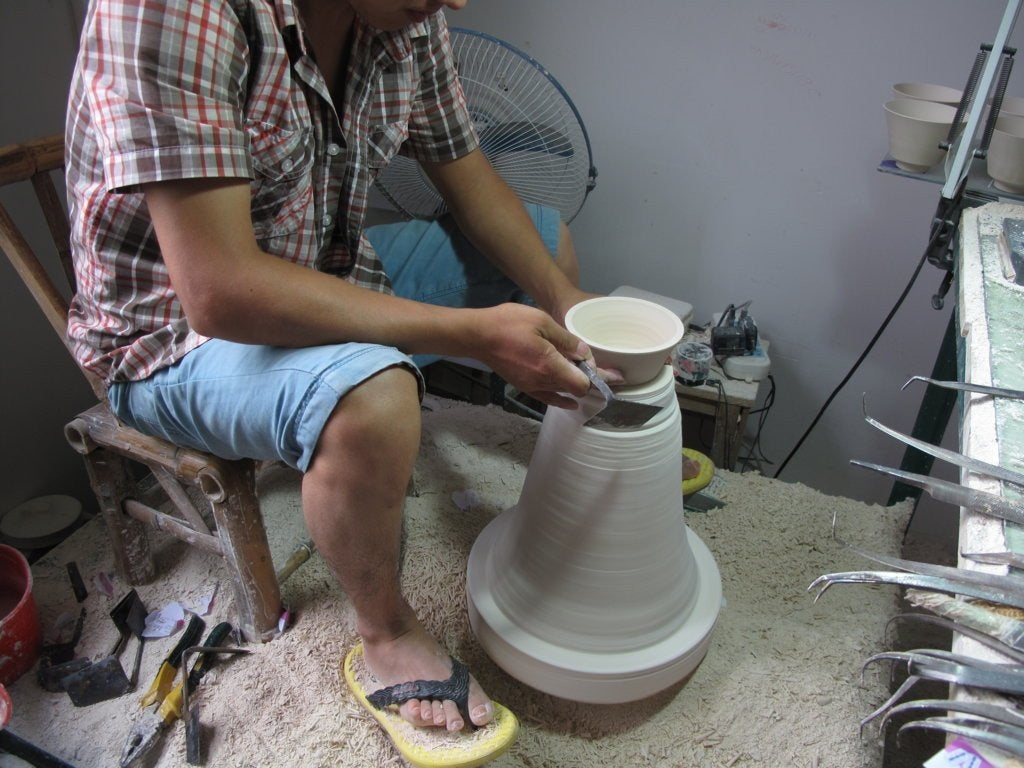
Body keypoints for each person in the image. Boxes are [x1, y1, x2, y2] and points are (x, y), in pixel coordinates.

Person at [65, 0, 612, 737]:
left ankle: (580, 452)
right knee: (377, 396)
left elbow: (468, 175)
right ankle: (385, 632)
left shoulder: (410, 16)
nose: (454, 2)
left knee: (548, 243)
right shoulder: (172, 7)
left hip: (324, 268)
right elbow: (220, 292)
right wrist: (471, 337)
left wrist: (569, 301)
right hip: (168, 340)